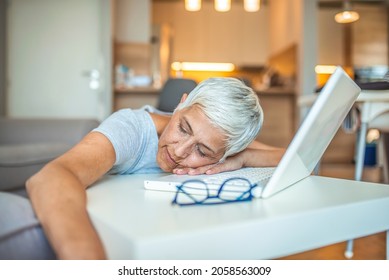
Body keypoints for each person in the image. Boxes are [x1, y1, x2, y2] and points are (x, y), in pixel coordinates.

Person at [2, 77, 284, 259]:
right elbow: (51, 176)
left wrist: (245, 158)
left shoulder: (223, 140)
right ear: (181, 104)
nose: (179, 150)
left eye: (202, 151)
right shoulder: (132, 128)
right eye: (184, 129)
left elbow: (294, 157)